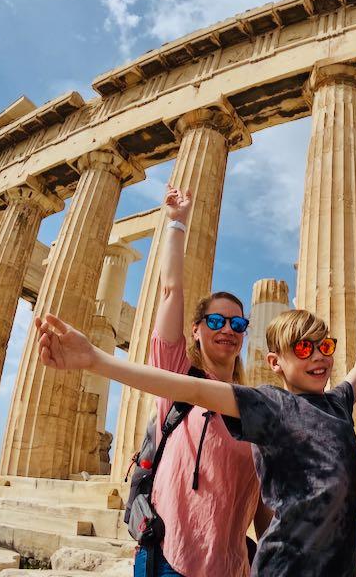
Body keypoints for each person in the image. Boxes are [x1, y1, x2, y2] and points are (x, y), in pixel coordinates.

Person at [34, 301, 356, 577]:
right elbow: (191, 388)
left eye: (325, 347)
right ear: (275, 362)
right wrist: (96, 360)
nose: (318, 356)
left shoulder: (337, 403)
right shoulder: (270, 405)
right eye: (303, 349)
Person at [125, 185, 268, 577]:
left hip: (231, 565)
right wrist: (176, 223)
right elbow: (171, 290)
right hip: (170, 558)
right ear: (196, 330)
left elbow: (262, 501)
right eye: (216, 321)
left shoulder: (254, 404)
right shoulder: (178, 379)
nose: (228, 330)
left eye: (237, 323)